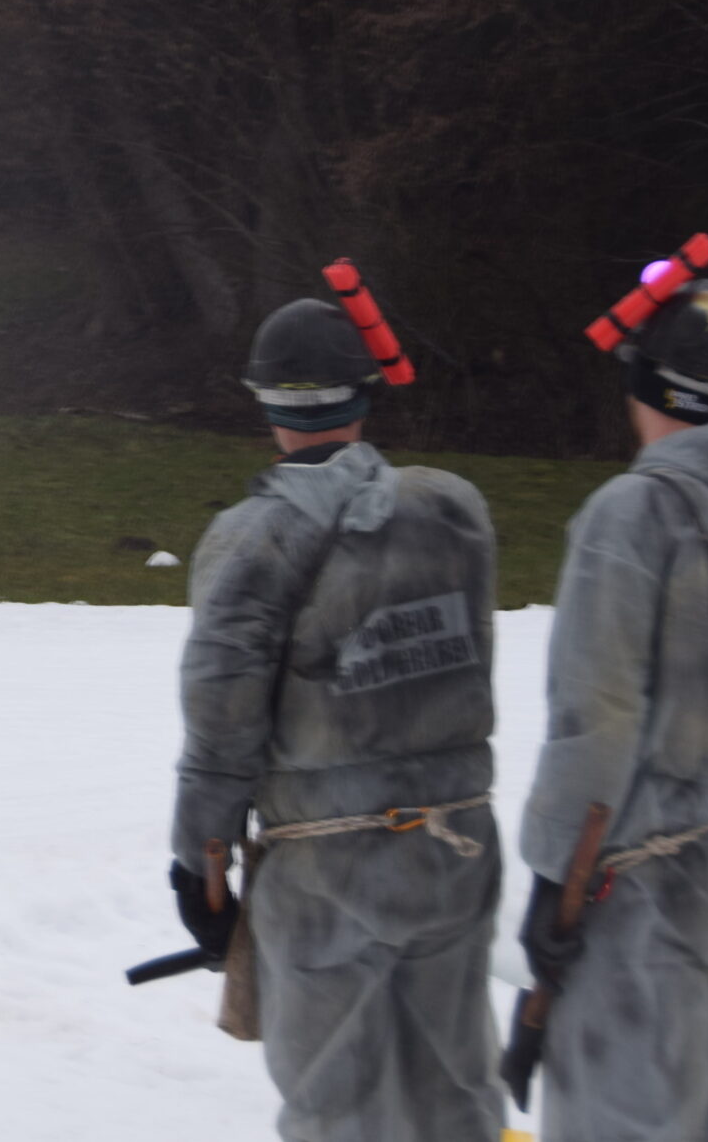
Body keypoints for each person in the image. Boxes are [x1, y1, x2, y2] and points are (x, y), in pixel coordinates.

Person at [171, 295, 503, 1140]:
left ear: (264, 401)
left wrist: (198, 864)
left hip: (327, 869)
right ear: (367, 390)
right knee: (457, 1095)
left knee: (335, 1106)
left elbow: (220, 726)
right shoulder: (455, 509)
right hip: (457, 848)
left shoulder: (252, 538)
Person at [517, 275, 708, 1138]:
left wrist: (553, 882)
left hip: (648, 891)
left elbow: (595, 720)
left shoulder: (631, 514)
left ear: (643, 384)